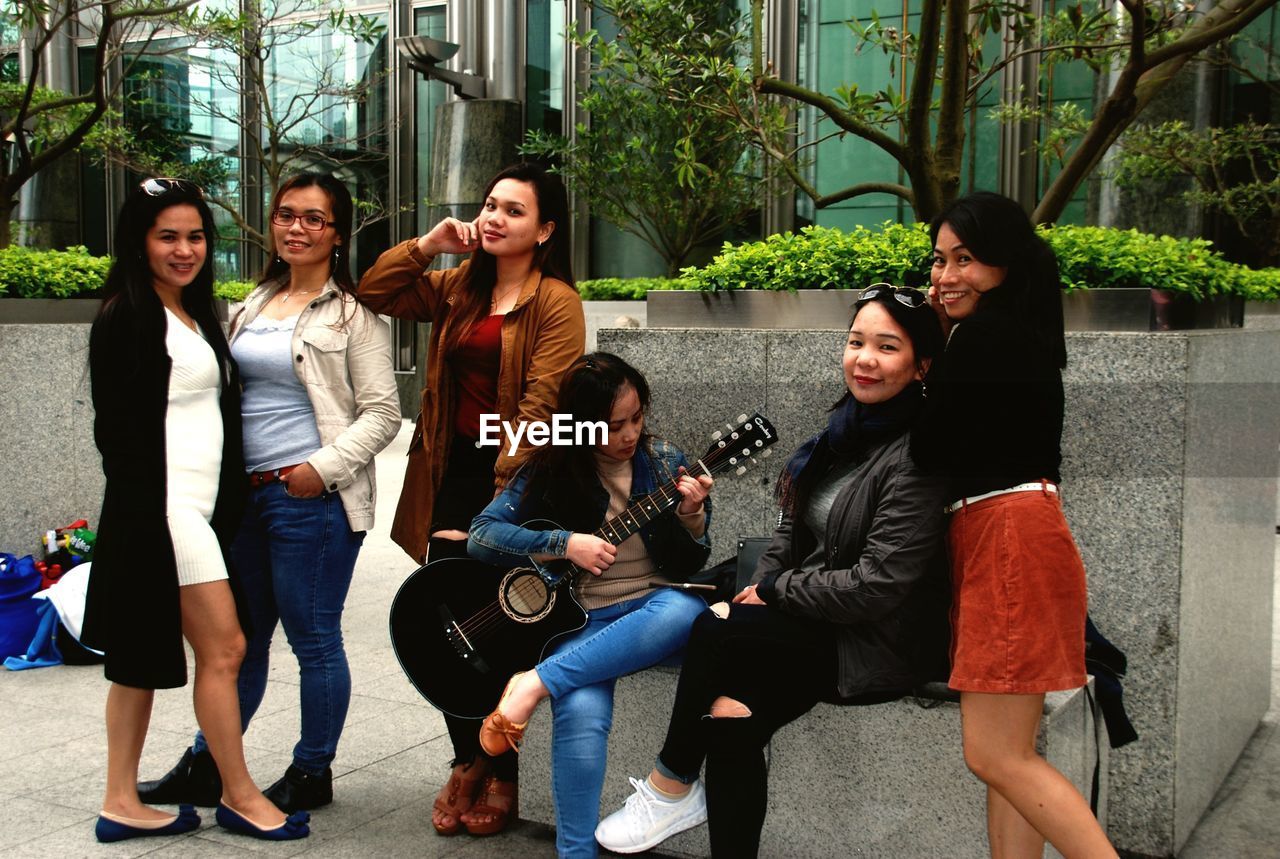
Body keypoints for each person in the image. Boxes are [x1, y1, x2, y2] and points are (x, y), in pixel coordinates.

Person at [593, 286, 951, 858]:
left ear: (921, 366)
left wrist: (779, 590)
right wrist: (770, 581)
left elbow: (878, 585)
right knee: (730, 717)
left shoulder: (918, 457)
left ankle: (672, 783)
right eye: (856, 341)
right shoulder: (842, 435)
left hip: (873, 640)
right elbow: (791, 531)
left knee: (713, 625)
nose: (864, 358)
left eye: (887, 347)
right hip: (811, 623)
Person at [137, 173, 401, 814]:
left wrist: (319, 468)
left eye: (314, 219)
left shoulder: (352, 316)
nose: (296, 229)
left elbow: (383, 412)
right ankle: (208, 763)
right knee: (239, 640)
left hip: (309, 500)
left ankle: (313, 771)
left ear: (337, 235)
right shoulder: (252, 303)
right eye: (286, 215)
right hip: (243, 500)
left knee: (313, 638)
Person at [357, 162, 586, 836]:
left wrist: (495, 509)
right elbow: (376, 290)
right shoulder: (458, 286)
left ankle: (503, 770)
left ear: (545, 229)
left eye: (513, 210)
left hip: (516, 488)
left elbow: (546, 402)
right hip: (451, 477)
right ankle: (466, 760)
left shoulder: (556, 301)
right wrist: (428, 244)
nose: (493, 217)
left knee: (505, 626)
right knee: (445, 624)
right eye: (490, 205)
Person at [84, 178, 308, 842]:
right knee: (228, 645)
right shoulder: (129, 315)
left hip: (194, 512)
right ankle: (237, 793)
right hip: (163, 513)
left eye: (196, 236)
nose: (185, 249)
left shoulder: (189, 310)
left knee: (137, 660)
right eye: (167, 236)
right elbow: (117, 435)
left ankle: (119, 798)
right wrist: (149, 527)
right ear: (138, 241)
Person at [926, 191, 1117, 858]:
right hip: (1018, 531)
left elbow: (930, 449)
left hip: (1005, 535)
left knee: (995, 754)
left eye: (966, 259)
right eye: (940, 259)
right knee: (1010, 755)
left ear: (1004, 263)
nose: (946, 275)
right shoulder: (1023, 331)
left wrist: (933, 349)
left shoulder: (983, 336)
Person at [467, 351, 714, 857]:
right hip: (584, 620)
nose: (627, 435)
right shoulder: (551, 466)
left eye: (636, 419)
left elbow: (689, 562)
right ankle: (575, 853)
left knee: (684, 611)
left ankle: (533, 684)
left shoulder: (664, 460)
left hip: (652, 611)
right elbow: (481, 536)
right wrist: (565, 543)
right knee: (580, 708)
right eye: (610, 426)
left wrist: (692, 516)